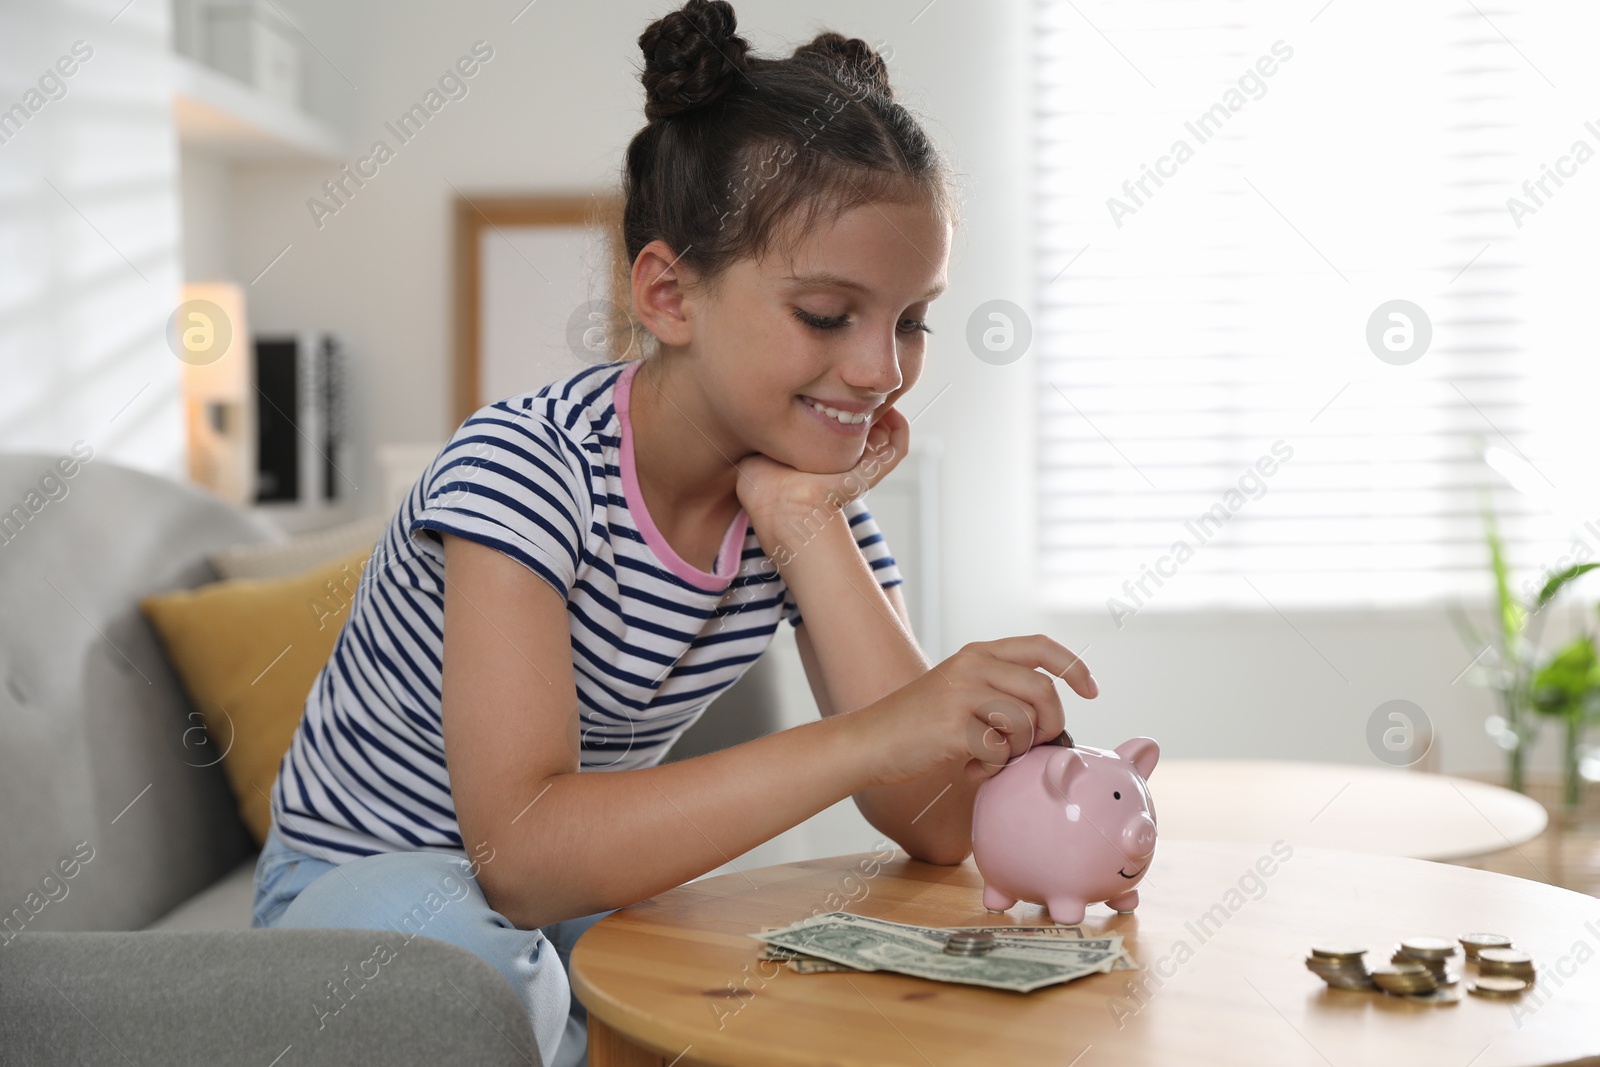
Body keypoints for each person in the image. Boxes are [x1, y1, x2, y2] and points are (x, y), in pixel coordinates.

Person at [250, 2, 1097, 1065]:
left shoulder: (806, 500)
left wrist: (800, 524)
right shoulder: (526, 467)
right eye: (830, 315)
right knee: (465, 966)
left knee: (755, 988)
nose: (883, 367)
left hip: (563, 897)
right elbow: (517, 854)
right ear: (666, 294)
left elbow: (931, 822)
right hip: (367, 887)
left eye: (911, 318)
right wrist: (871, 733)